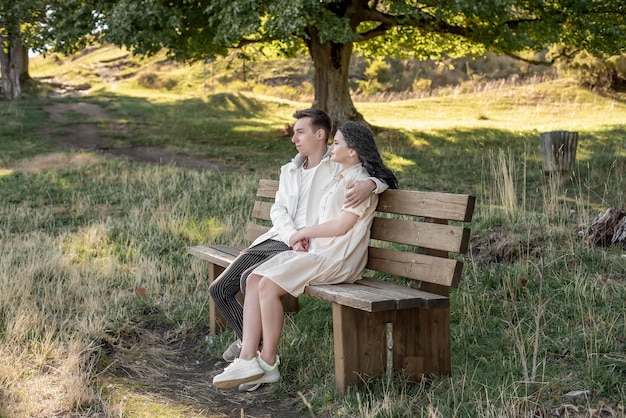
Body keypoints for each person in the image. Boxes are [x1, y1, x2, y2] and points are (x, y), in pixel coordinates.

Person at [208, 109, 389, 389]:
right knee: (252, 280)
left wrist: (373, 183)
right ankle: (248, 358)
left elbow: (363, 193)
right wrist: (296, 234)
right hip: (304, 243)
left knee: (262, 284)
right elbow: (280, 209)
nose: (293, 138)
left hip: (330, 254)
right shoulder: (320, 172)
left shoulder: (344, 174)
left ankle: (266, 362)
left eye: (336, 143)